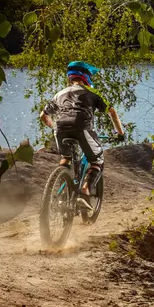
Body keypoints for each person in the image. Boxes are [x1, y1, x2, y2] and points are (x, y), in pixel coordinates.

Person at [39, 61, 125, 207]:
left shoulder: (59, 94)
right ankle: (84, 193)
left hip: (60, 129)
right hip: (82, 128)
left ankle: (63, 194)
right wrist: (120, 134)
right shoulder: (93, 93)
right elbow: (112, 112)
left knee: (66, 158)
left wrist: (54, 127)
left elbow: (43, 115)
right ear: (86, 76)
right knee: (97, 161)